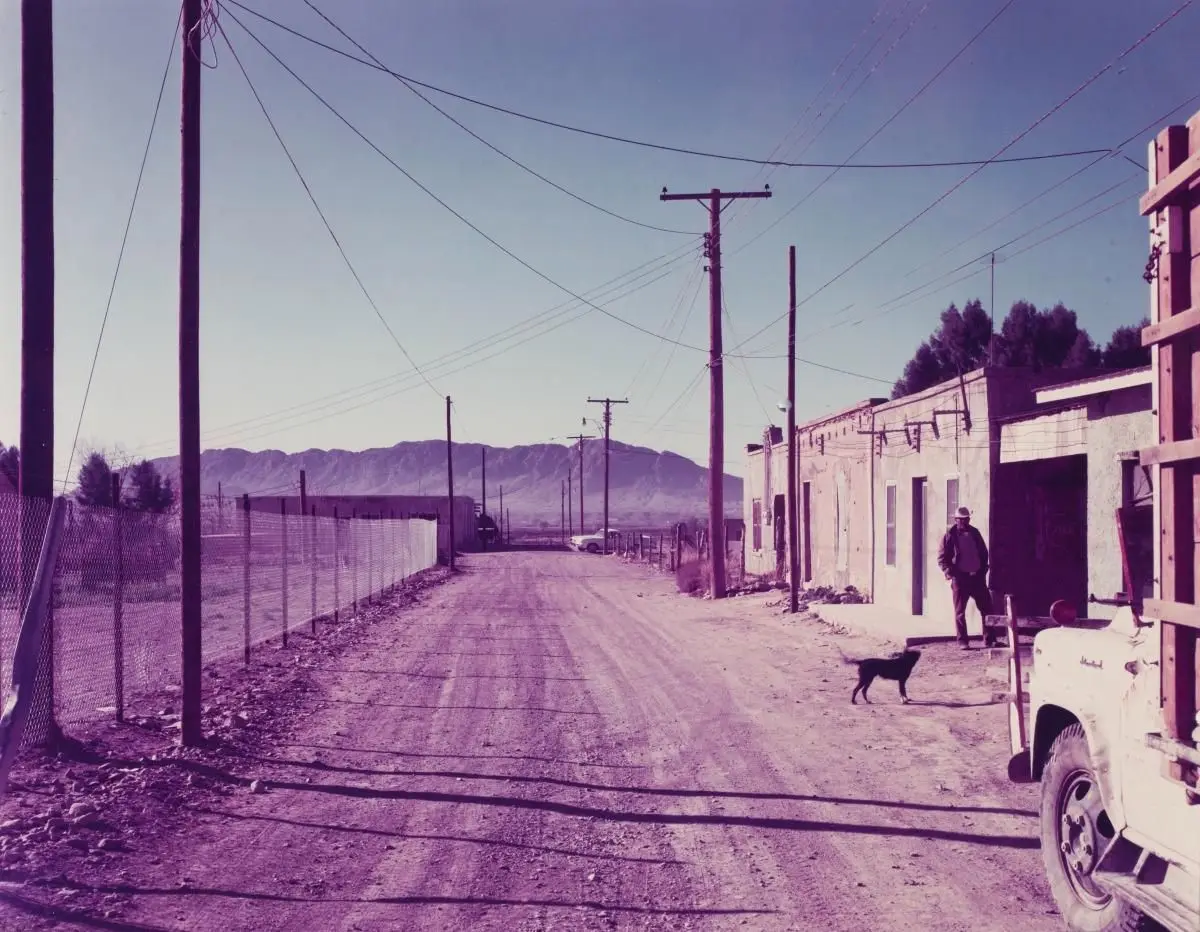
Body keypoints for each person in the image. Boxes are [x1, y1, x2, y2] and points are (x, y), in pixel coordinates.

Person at [937, 506, 993, 649]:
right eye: (961, 520)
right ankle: (963, 641)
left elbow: (983, 552)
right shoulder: (950, 535)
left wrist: (983, 569)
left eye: (966, 519)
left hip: (977, 578)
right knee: (960, 612)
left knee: (987, 609)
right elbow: (942, 558)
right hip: (960, 579)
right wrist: (949, 572)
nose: (964, 522)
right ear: (956, 520)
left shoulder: (974, 533)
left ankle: (990, 639)